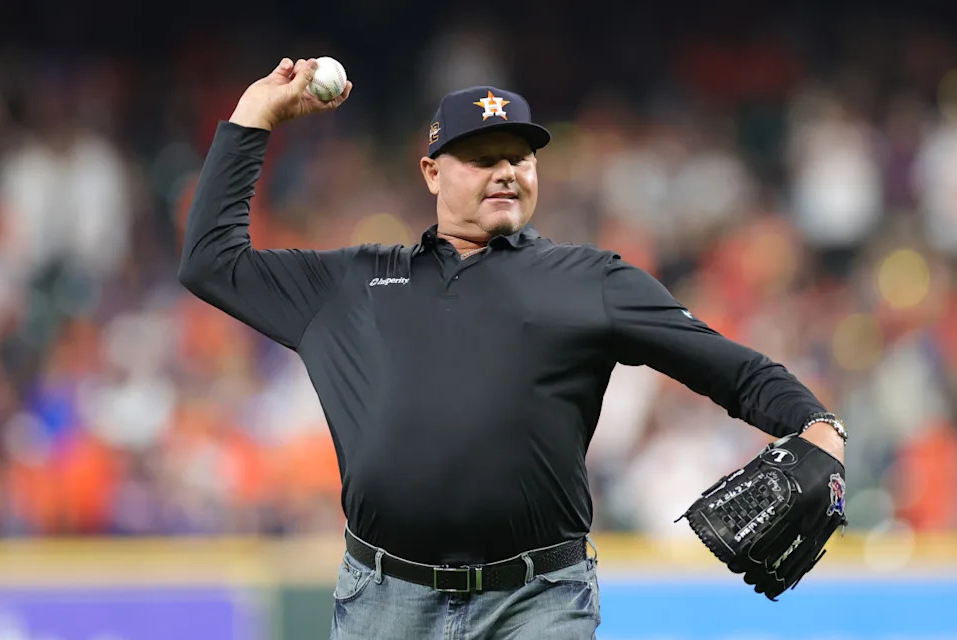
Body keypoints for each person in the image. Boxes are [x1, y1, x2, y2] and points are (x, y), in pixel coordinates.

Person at [178, 57, 847, 639]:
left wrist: (815, 422)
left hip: (539, 603)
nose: (505, 172)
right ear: (431, 172)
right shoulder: (348, 284)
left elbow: (730, 369)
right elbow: (209, 262)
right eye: (481, 157)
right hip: (384, 601)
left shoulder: (593, 281)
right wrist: (251, 117)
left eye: (518, 157)